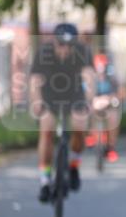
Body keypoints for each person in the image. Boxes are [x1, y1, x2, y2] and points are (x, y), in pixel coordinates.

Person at [29, 23, 95, 202]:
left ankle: (74, 165)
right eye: (61, 45)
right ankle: (44, 180)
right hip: (49, 95)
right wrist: (36, 102)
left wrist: (89, 100)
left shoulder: (83, 51)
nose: (65, 49)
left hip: (74, 94)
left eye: (69, 46)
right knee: (47, 131)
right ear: (54, 42)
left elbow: (89, 77)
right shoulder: (44, 52)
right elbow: (35, 81)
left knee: (79, 125)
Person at [91, 53, 121, 162]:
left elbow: (117, 93)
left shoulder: (111, 78)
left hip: (109, 105)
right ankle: (93, 136)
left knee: (113, 118)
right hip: (95, 105)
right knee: (90, 112)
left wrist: (107, 99)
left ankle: (111, 147)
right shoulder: (91, 78)